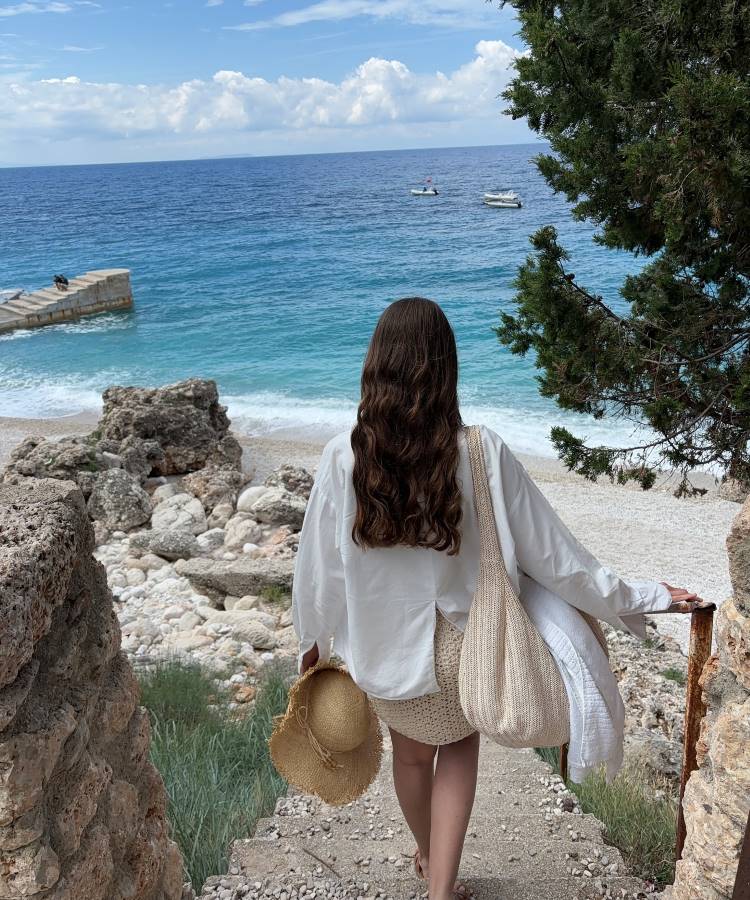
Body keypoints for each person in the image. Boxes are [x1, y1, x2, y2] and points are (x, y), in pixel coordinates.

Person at [292, 297, 704, 900]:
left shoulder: (340, 456)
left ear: (374, 365)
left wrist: (312, 640)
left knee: (409, 759)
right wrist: (644, 596)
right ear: (445, 368)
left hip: (379, 648)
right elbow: (558, 560)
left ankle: (429, 859)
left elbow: (318, 569)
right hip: (466, 645)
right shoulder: (480, 451)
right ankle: (441, 888)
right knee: (458, 750)